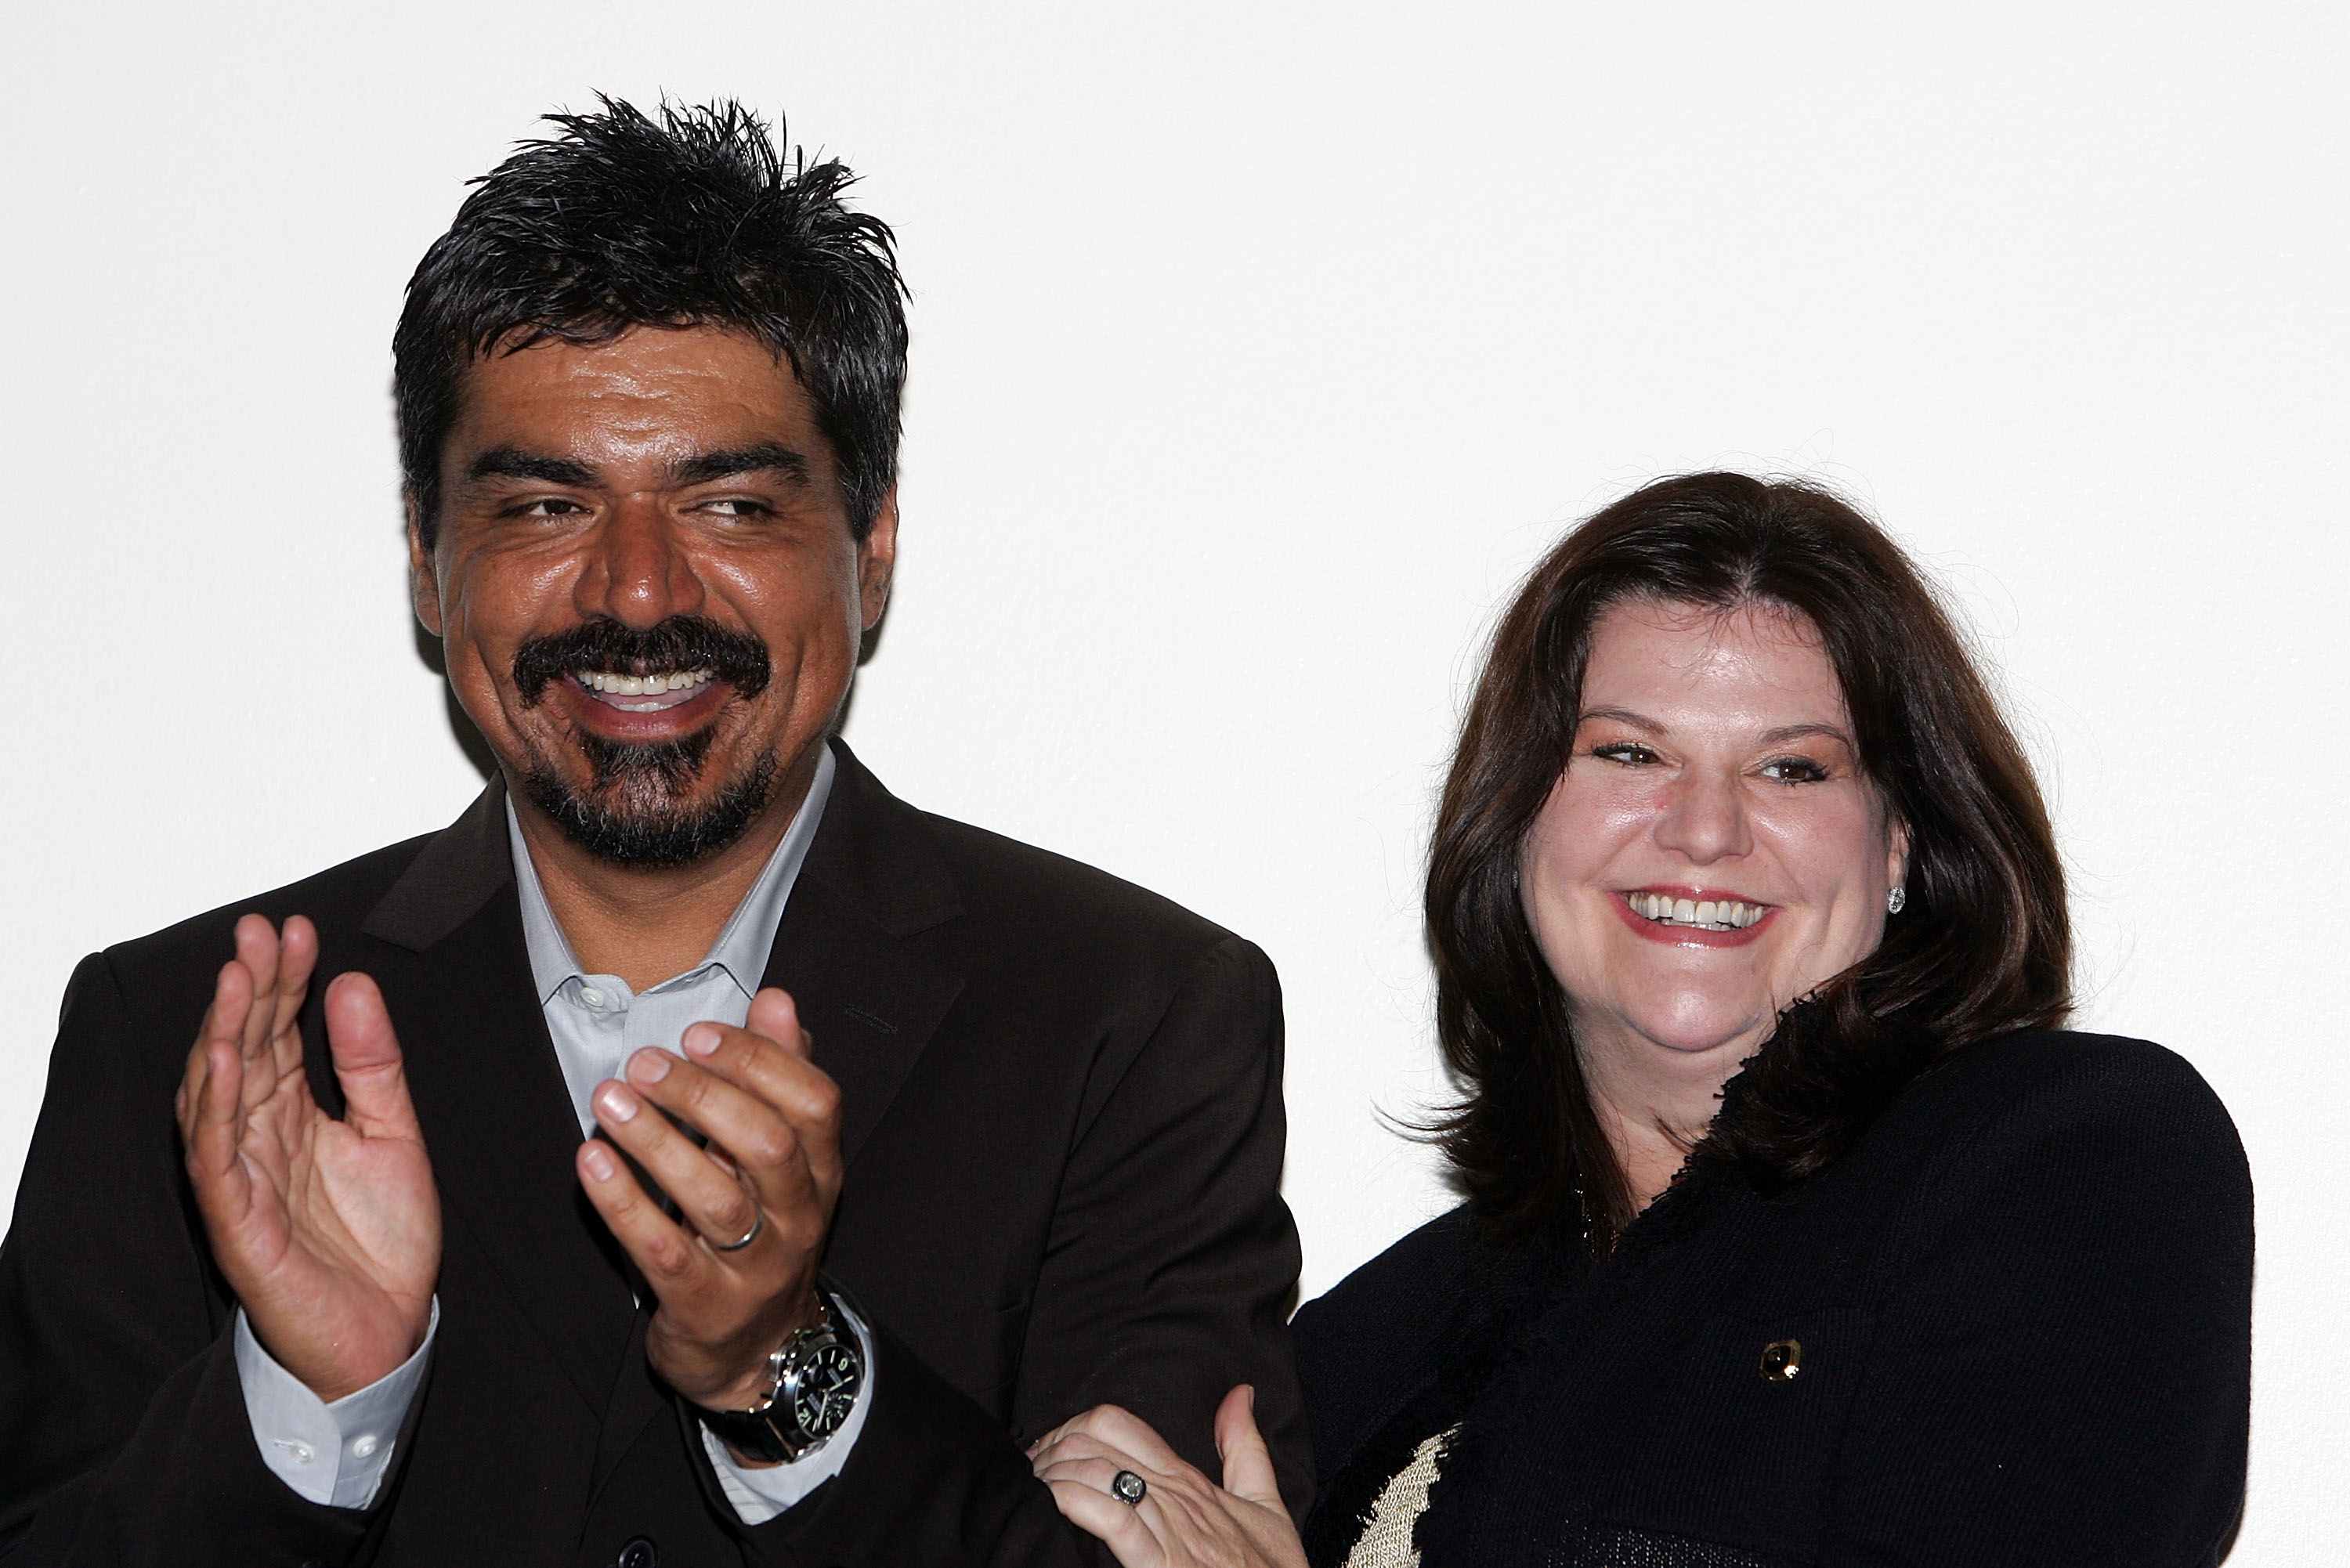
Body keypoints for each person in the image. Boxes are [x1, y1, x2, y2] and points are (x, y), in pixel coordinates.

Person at [0, 99, 1309, 1567]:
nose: (633, 592)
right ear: (429, 568)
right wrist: (309, 1401)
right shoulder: (182, 1038)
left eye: (733, 503)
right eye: (549, 503)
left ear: (870, 549)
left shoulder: (1131, 1021)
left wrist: (793, 1377)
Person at [1029, 472, 2253, 1567]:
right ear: (1516, 828)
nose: (1705, 828)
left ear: (1902, 844)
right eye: (1628, 754)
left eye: (1793, 768)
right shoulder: (1365, 1340)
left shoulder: (2069, 1164)